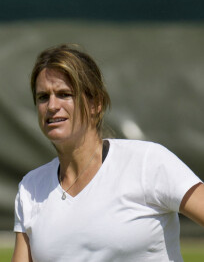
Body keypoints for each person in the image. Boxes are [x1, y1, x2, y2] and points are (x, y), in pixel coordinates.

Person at [12, 44, 204, 262]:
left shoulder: (148, 162)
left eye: (64, 94)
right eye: (43, 97)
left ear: (96, 104)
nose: (52, 106)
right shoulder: (30, 188)